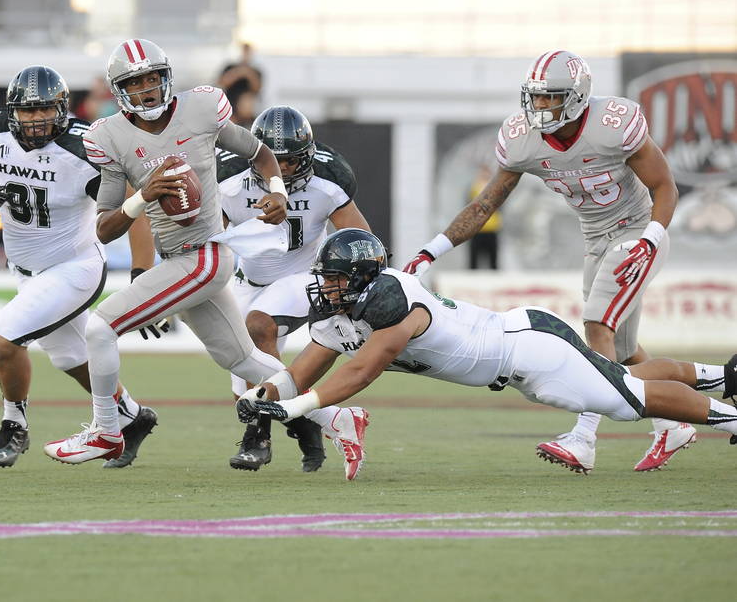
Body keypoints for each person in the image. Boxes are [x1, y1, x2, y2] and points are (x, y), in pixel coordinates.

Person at [42, 39, 369, 478]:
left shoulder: (201, 108)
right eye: (135, 82)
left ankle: (107, 428)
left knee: (100, 328)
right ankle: (336, 418)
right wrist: (142, 198)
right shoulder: (108, 137)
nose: (147, 90)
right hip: (178, 257)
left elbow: (260, 152)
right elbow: (104, 227)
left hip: (206, 256)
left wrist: (275, 192)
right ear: (120, 90)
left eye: (153, 78)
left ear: (166, 77)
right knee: (244, 361)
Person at [239, 229, 737, 478]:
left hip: (531, 353)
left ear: (365, 275)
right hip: (519, 352)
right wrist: (264, 394)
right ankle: (720, 376)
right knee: (624, 383)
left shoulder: (392, 296)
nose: (326, 288)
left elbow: (363, 370)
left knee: (630, 399)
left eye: (336, 279)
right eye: (325, 279)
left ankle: (730, 417)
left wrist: (294, 408)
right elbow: (301, 372)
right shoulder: (338, 314)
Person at [401, 50, 693, 473]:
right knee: (626, 354)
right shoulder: (523, 140)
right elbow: (484, 206)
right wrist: (431, 251)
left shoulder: (613, 125)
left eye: (550, 98)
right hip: (595, 239)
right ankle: (674, 423)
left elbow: (665, 186)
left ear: (576, 97)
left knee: (597, 327)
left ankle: (584, 437)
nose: (540, 107)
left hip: (637, 231)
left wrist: (649, 240)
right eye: (535, 98)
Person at [0, 65, 158, 469]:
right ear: (11, 111)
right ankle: (130, 415)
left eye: (46, 110)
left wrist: (142, 275)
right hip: (25, 270)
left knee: (3, 337)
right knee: (70, 357)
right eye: (28, 111)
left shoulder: (84, 148)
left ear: (63, 109)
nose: (37, 120)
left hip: (75, 265)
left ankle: (13, 424)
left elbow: (135, 210)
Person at [217, 105, 371, 472]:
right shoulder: (227, 175)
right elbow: (211, 237)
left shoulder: (330, 175)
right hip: (247, 280)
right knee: (243, 375)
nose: (282, 170)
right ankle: (315, 423)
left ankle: (259, 437)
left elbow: (359, 237)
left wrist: (360, 287)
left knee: (257, 328)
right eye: (275, 160)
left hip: (305, 275)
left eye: (291, 161)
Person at [467, 164, 500, 270]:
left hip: (491, 229)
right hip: (477, 229)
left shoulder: (495, 188)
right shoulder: (474, 187)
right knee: (474, 261)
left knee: (493, 261)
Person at [217, 43, 263, 112]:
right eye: (244, 51)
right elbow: (222, 83)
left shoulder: (255, 70)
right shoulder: (230, 67)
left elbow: (257, 88)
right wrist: (239, 72)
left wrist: (248, 74)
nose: (245, 54)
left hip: (247, 110)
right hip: (230, 109)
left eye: (248, 52)